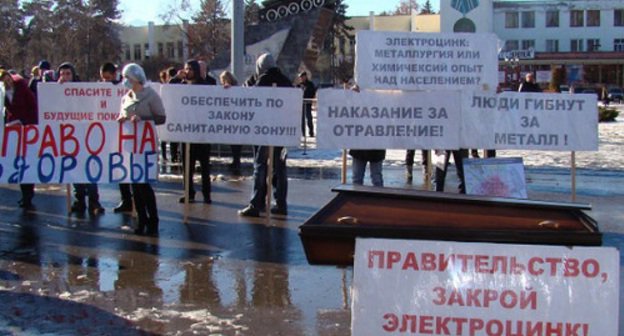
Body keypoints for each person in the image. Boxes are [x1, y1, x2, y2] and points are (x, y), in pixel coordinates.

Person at [238, 53, 291, 217]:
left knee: (260, 167)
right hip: (281, 132)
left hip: (263, 131)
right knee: (279, 169)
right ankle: (280, 203)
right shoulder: (286, 81)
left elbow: (250, 103)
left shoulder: (261, 81)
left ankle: (256, 203)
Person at [118, 63, 166, 235]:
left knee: (144, 184)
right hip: (131, 146)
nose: (125, 82)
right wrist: (122, 118)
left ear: (136, 79)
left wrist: (143, 119)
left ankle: (153, 219)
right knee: (134, 184)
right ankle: (141, 218)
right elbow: (123, 114)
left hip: (145, 145)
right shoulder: (126, 97)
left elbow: (161, 118)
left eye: (128, 78)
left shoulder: (151, 95)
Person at [58, 62, 105, 215]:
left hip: (84, 135)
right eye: (62, 74)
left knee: (89, 168)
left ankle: (94, 201)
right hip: (69, 137)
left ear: (73, 74)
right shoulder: (54, 90)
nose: (65, 77)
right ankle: (79, 201)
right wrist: (57, 91)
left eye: (67, 74)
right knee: (75, 170)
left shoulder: (82, 90)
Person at [0, 70, 38, 208]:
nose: (8, 82)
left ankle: (29, 194)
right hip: (12, 130)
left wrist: (24, 122)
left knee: (28, 160)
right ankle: (24, 195)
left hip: (27, 127)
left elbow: (33, 106)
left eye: (8, 79)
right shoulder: (2, 93)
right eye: (4, 81)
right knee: (19, 162)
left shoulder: (21, 86)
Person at [100, 62, 133, 213]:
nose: (105, 82)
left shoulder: (125, 86)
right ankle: (126, 199)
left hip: (128, 132)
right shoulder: (101, 88)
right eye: (103, 79)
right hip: (113, 133)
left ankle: (134, 200)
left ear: (115, 74)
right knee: (119, 167)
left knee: (130, 167)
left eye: (108, 78)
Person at [178, 59, 213, 204]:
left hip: (202, 134)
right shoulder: (182, 86)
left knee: (204, 167)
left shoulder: (204, 86)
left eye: (190, 69)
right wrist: (176, 78)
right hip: (186, 133)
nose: (187, 72)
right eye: (186, 69)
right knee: (187, 166)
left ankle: (206, 194)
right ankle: (188, 192)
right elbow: (169, 93)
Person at [348, 84, 385, 187]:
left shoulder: (382, 95)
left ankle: (378, 201)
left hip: (376, 142)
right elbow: (347, 106)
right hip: (360, 142)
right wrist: (351, 94)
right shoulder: (358, 93)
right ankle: (357, 202)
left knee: (376, 178)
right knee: (357, 177)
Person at [219, 70, 243, 176]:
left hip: (236, 120)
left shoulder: (236, 89)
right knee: (234, 143)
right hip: (232, 119)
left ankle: (236, 161)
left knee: (236, 143)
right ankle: (236, 160)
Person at [296, 71, 316, 137]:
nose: (301, 78)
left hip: (307, 104)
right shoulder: (299, 85)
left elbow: (313, 92)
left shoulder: (310, 84)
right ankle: (303, 134)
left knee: (309, 119)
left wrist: (309, 98)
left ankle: (311, 132)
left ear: (305, 76)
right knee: (302, 120)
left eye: (302, 77)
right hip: (300, 104)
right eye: (300, 77)